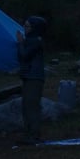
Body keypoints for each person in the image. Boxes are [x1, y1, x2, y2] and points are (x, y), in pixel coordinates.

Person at [15, 16, 48, 145]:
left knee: (31, 106)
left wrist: (20, 43)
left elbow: (24, 56)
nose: (24, 28)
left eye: (27, 26)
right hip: (30, 76)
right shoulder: (31, 40)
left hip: (34, 77)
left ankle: (33, 136)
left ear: (34, 28)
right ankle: (29, 134)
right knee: (27, 106)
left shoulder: (35, 41)